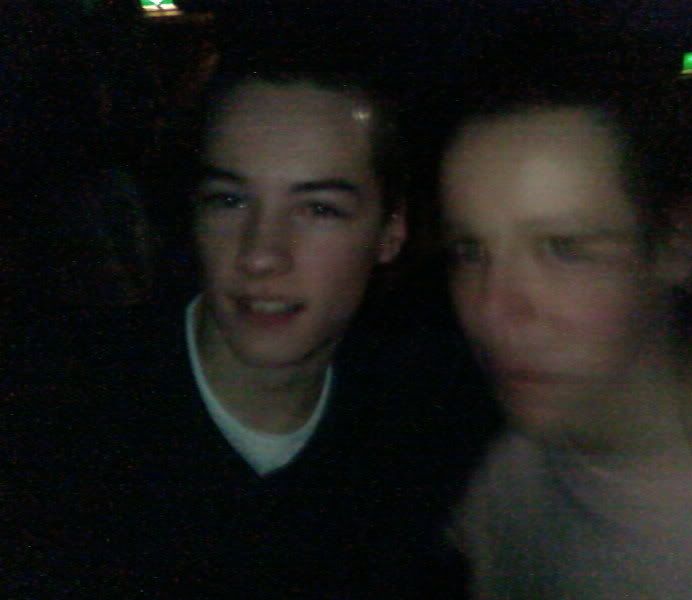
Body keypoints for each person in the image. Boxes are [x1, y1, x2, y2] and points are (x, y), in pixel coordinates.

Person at [6, 61, 495, 598]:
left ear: (390, 233)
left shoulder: (428, 429)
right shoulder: (49, 417)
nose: (261, 255)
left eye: (319, 208)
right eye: (230, 200)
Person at [438, 84, 692, 598]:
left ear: (674, 243)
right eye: (470, 252)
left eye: (564, 248)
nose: (491, 312)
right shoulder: (501, 470)